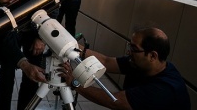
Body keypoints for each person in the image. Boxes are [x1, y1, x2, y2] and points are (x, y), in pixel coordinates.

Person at [59, 27, 191, 110]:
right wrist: (71, 46)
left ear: (152, 55)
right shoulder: (140, 63)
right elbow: (107, 61)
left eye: (133, 49)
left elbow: (115, 101)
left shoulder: (164, 89)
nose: (128, 52)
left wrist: (75, 83)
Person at [0, 0, 56, 110]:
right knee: (6, 75)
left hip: (35, 33)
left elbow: (53, 9)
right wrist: (23, 63)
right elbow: (5, 37)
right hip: (10, 33)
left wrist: (41, 39)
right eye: (6, 3)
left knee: (32, 78)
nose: (12, 5)